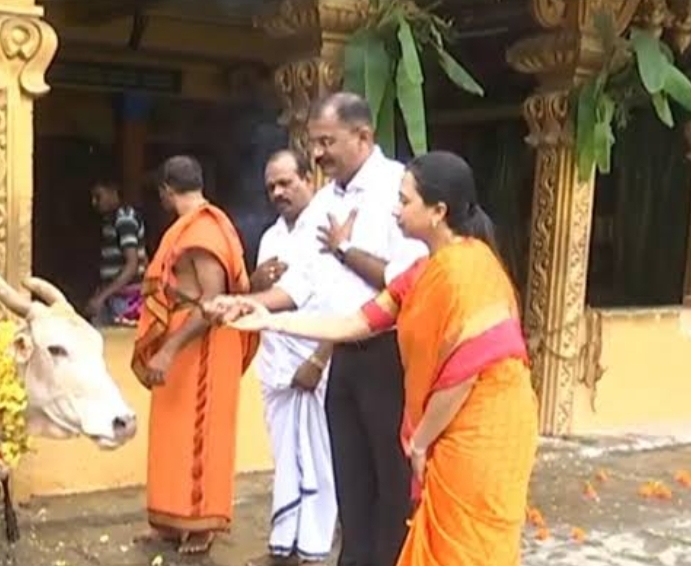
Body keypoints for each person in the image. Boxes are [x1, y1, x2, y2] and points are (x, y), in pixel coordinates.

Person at [208, 150, 540, 566]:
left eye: (405, 201)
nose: (396, 209)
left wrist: (420, 443)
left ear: (438, 211)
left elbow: (465, 373)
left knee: (467, 548)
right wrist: (267, 318)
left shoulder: (469, 271)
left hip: (482, 431)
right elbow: (355, 322)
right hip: (444, 426)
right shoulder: (423, 271)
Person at [303, 92, 427, 566]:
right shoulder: (325, 199)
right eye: (314, 143)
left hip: (388, 356)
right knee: (350, 482)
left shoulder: (400, 190)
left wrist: (345, 250)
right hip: (344, 356)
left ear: (363, 136)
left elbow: (407, 282)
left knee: (390, 484)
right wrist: (250, 305)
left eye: (327, 142)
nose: (318, 153)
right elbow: (302, 281)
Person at [131, 155, 259, 555]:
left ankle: (203, 525)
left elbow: (212, 301)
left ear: (166, 191)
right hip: (184, 341)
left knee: (202, 433)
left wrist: (168, 350)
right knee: (173, 433)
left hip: (202, 344)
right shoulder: (194, 227)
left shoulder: (203, 232)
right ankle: (171, 522)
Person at [240, 149, 339, 565]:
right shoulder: (271, 237)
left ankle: (315, 543)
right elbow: (263, 296)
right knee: (285, 456)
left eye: (286, 182)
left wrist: (317, 361)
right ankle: (284, 538)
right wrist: (252, 283)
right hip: (277, 364)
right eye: (271, 187)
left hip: (316, 359)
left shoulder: (328, 228)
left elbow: (338, 302)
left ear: (308, 179)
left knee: (319, 456)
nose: (278, 192)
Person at [86, 181, 148, 325]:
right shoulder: (112, 220)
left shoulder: (124, 219)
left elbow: (132, 265)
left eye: (98, 196)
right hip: (116, 295)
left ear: (112, 192)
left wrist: (101, 297)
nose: (94, 203)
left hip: (126, 299)